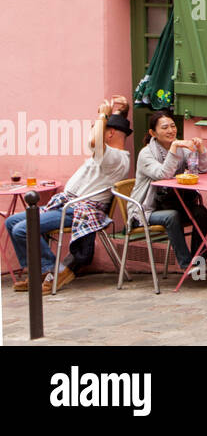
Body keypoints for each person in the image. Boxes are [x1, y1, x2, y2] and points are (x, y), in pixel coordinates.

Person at [7, 95, 133, 293]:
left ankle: (53, 269)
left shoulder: (115, 157)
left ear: (109, 134)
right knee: (11, 222)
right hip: (66, 204)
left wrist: (103, 115)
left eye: (99, 127)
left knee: (22, 229)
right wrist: (122, 110)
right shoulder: (109, 154)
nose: (95, 129)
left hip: (78, 210)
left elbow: (94, 140)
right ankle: (39, 271)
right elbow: (103, 134)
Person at [127, 111, 207, 277]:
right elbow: (162, 175)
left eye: (173, 126)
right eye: (165, 127)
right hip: (146, 209)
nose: (171, 130)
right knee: (171, 217)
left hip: (175, 203)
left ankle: (199, 261)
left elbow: (201, 169)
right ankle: (186, 264)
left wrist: (201, 151)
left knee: (201, 212)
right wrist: (174, 148)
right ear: (153, 133)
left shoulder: (181, 149)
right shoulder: (146, 154)